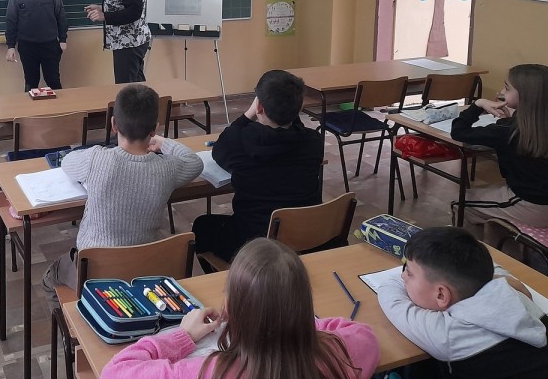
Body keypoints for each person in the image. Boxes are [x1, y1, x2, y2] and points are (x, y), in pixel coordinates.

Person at [101, 237, 379, 379]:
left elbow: (115, 372)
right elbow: (362, 334)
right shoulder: (341, 352)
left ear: (233, 308)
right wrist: (294, 324)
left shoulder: (209, 371)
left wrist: (183, 335)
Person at [42, 84, 202, 306]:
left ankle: (75, 324)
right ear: (154, 129)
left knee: (49, 278)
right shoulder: (167, 168)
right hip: (146, 269)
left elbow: (67, 161)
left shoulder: (97, 159)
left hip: (95, 273)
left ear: (113, 124)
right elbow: (194, 163)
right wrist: (162, 142)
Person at [378, 226, 548, 378]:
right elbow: (504, 275)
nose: (403, 276)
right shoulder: (515, 295)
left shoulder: (449, 334)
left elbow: (390, 297)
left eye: (409, 272)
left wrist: (401, 276)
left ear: (441, 295)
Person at [192, 70, 324, 267]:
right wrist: (289, 110)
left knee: (202, 226)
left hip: (255, 245)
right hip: (306, 237)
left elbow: (220, 148)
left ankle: (236, 279)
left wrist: (248, 114)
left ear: (259, 106)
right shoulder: (313, 142)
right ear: (299, 106)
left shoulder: (240, 141)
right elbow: (292, 130)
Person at [449, 64, 548, 241]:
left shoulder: (507, 131)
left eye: (507, 88)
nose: (502, 91)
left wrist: (478, 104)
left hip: (533, 207)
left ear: (525, 95)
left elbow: (459, 131)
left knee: (460, 203)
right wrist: (509, 120)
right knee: (492, 198)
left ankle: (475, 254)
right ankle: (502, 244)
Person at [5, 0, 68, 91]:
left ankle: (60, 105)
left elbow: (61, 18)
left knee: (53, 80)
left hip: (50, 45)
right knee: (31, 81)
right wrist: (11, 46)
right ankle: (30, 105)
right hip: (27, 46)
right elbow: (11, 23)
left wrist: (62, 39)